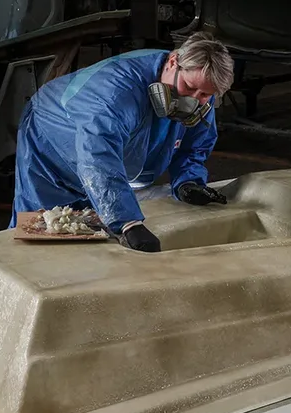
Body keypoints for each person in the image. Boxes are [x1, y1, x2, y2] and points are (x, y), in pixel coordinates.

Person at [12, 32, 237, 252]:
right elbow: (98, 157)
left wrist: (189, 181)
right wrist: (127, 223)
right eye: (188, 88)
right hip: (50, 137)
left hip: (102, 143)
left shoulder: (199, 88)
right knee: (46, 229)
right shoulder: (116, 94)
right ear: (172, 63)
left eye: (205, 94)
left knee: (93, 232)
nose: (193, 101)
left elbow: (195, 144)